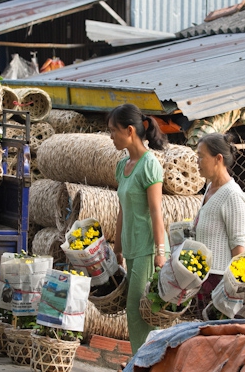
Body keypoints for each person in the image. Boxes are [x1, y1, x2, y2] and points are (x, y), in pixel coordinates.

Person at [108, 103, 170, 355]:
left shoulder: (149, 164)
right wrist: (118, 247)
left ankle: (144, 361)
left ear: (130, 130)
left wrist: (160, 252)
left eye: (113, 130)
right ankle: (142, 360)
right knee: (134, 309)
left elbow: (157, 211)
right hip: (131, 247)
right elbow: (122, 209)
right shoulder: (123, 166)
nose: (110, 135)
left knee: (137, 309)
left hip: (147, 247)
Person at [193, 132, 245, 309]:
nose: (197, 162)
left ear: (218, 158)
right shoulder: (210, 188)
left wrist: (232, 292)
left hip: (219, 284)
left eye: (201, 157)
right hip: (203, 277)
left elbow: (239, 247)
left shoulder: (232, 195)